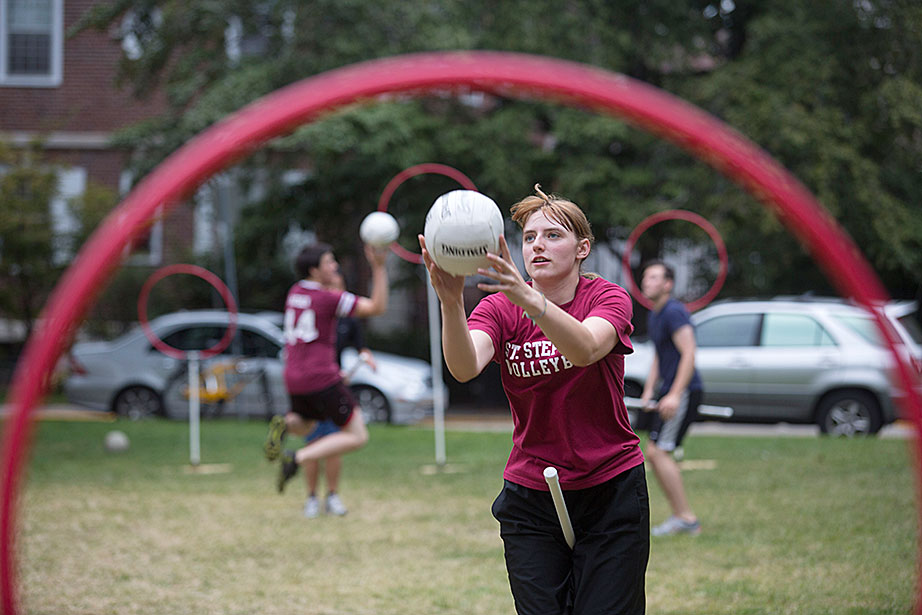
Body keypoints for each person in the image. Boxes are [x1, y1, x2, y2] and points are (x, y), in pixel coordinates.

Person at [418, 185, 649, 615]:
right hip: (531, 494)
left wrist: (527, 296)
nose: (537, 244)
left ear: (582, 249)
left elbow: (583, 349)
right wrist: (451, 303)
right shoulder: (500, 308)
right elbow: (465, 367)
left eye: (552, 235)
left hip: (610, 488)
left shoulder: (606, 297)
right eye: (528, 237)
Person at [264, 241, 388, 495]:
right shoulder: (328, 298)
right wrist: (378, 267)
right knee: (357, 436)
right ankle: (296, 458)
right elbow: (377, 307)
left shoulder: (295, 291)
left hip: (294, 376)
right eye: (329, 262)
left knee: (306, 425)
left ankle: (286, 424)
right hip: (321, 377)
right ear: (314, 270)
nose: (335, 266)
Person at [302, 273, 378, 518]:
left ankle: (332, 496)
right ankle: (312, 498)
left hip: (333, 389)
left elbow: (361, 347)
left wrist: (366, 356)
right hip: (312, 388)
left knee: (335, 443)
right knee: (313, 443)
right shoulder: (313, 315)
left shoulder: (349, 321)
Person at [636, 259, 703, 537]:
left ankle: (685, 518)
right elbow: (659, 357)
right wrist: (650, 391)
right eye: (645, 277)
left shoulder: (674, 312)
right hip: (669, 390)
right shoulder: (656, 313)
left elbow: (689, 352)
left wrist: (675, 394)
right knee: (655, 453)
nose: (646, 282)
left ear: (668, 284)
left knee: (658, 452)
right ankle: (681, 517)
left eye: (654, 277)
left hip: (685, 390)